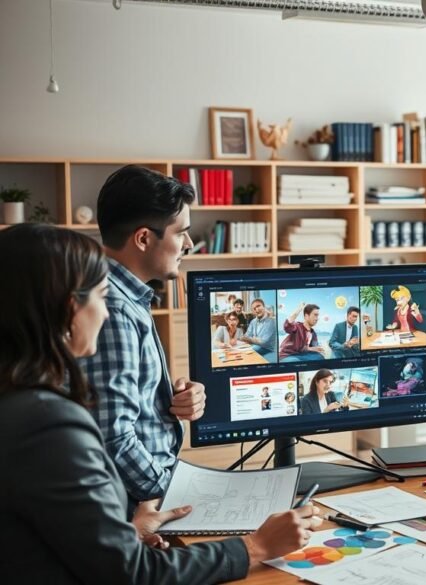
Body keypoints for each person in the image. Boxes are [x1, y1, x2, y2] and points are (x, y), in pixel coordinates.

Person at [0, 224, 320, 582]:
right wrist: (255, 547)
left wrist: (125, 532)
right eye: (102, 297)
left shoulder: (17, 401)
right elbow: (135, 574)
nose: (106, 314)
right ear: (70, 308)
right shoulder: (48, 425)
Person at [79, 165, 207, 508]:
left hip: (150, 489)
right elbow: (113, 438)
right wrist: (174, 497)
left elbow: (122, 406)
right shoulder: (115, 311)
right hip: (141, 504)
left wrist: (169, 397)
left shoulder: (125, 298)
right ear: (143, 238)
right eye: (182, 233)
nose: (189, 244)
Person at [240, 298, 277, 363]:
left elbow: (263, 342)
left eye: (258, 306)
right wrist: (251, 339)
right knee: (243, 357)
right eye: (254, 309)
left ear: (264, 307)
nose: (256, 310)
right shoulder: (253, 322)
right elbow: (246, 335)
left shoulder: (271, 321)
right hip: (256, 347)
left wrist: (250, 339)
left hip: (269, 350)